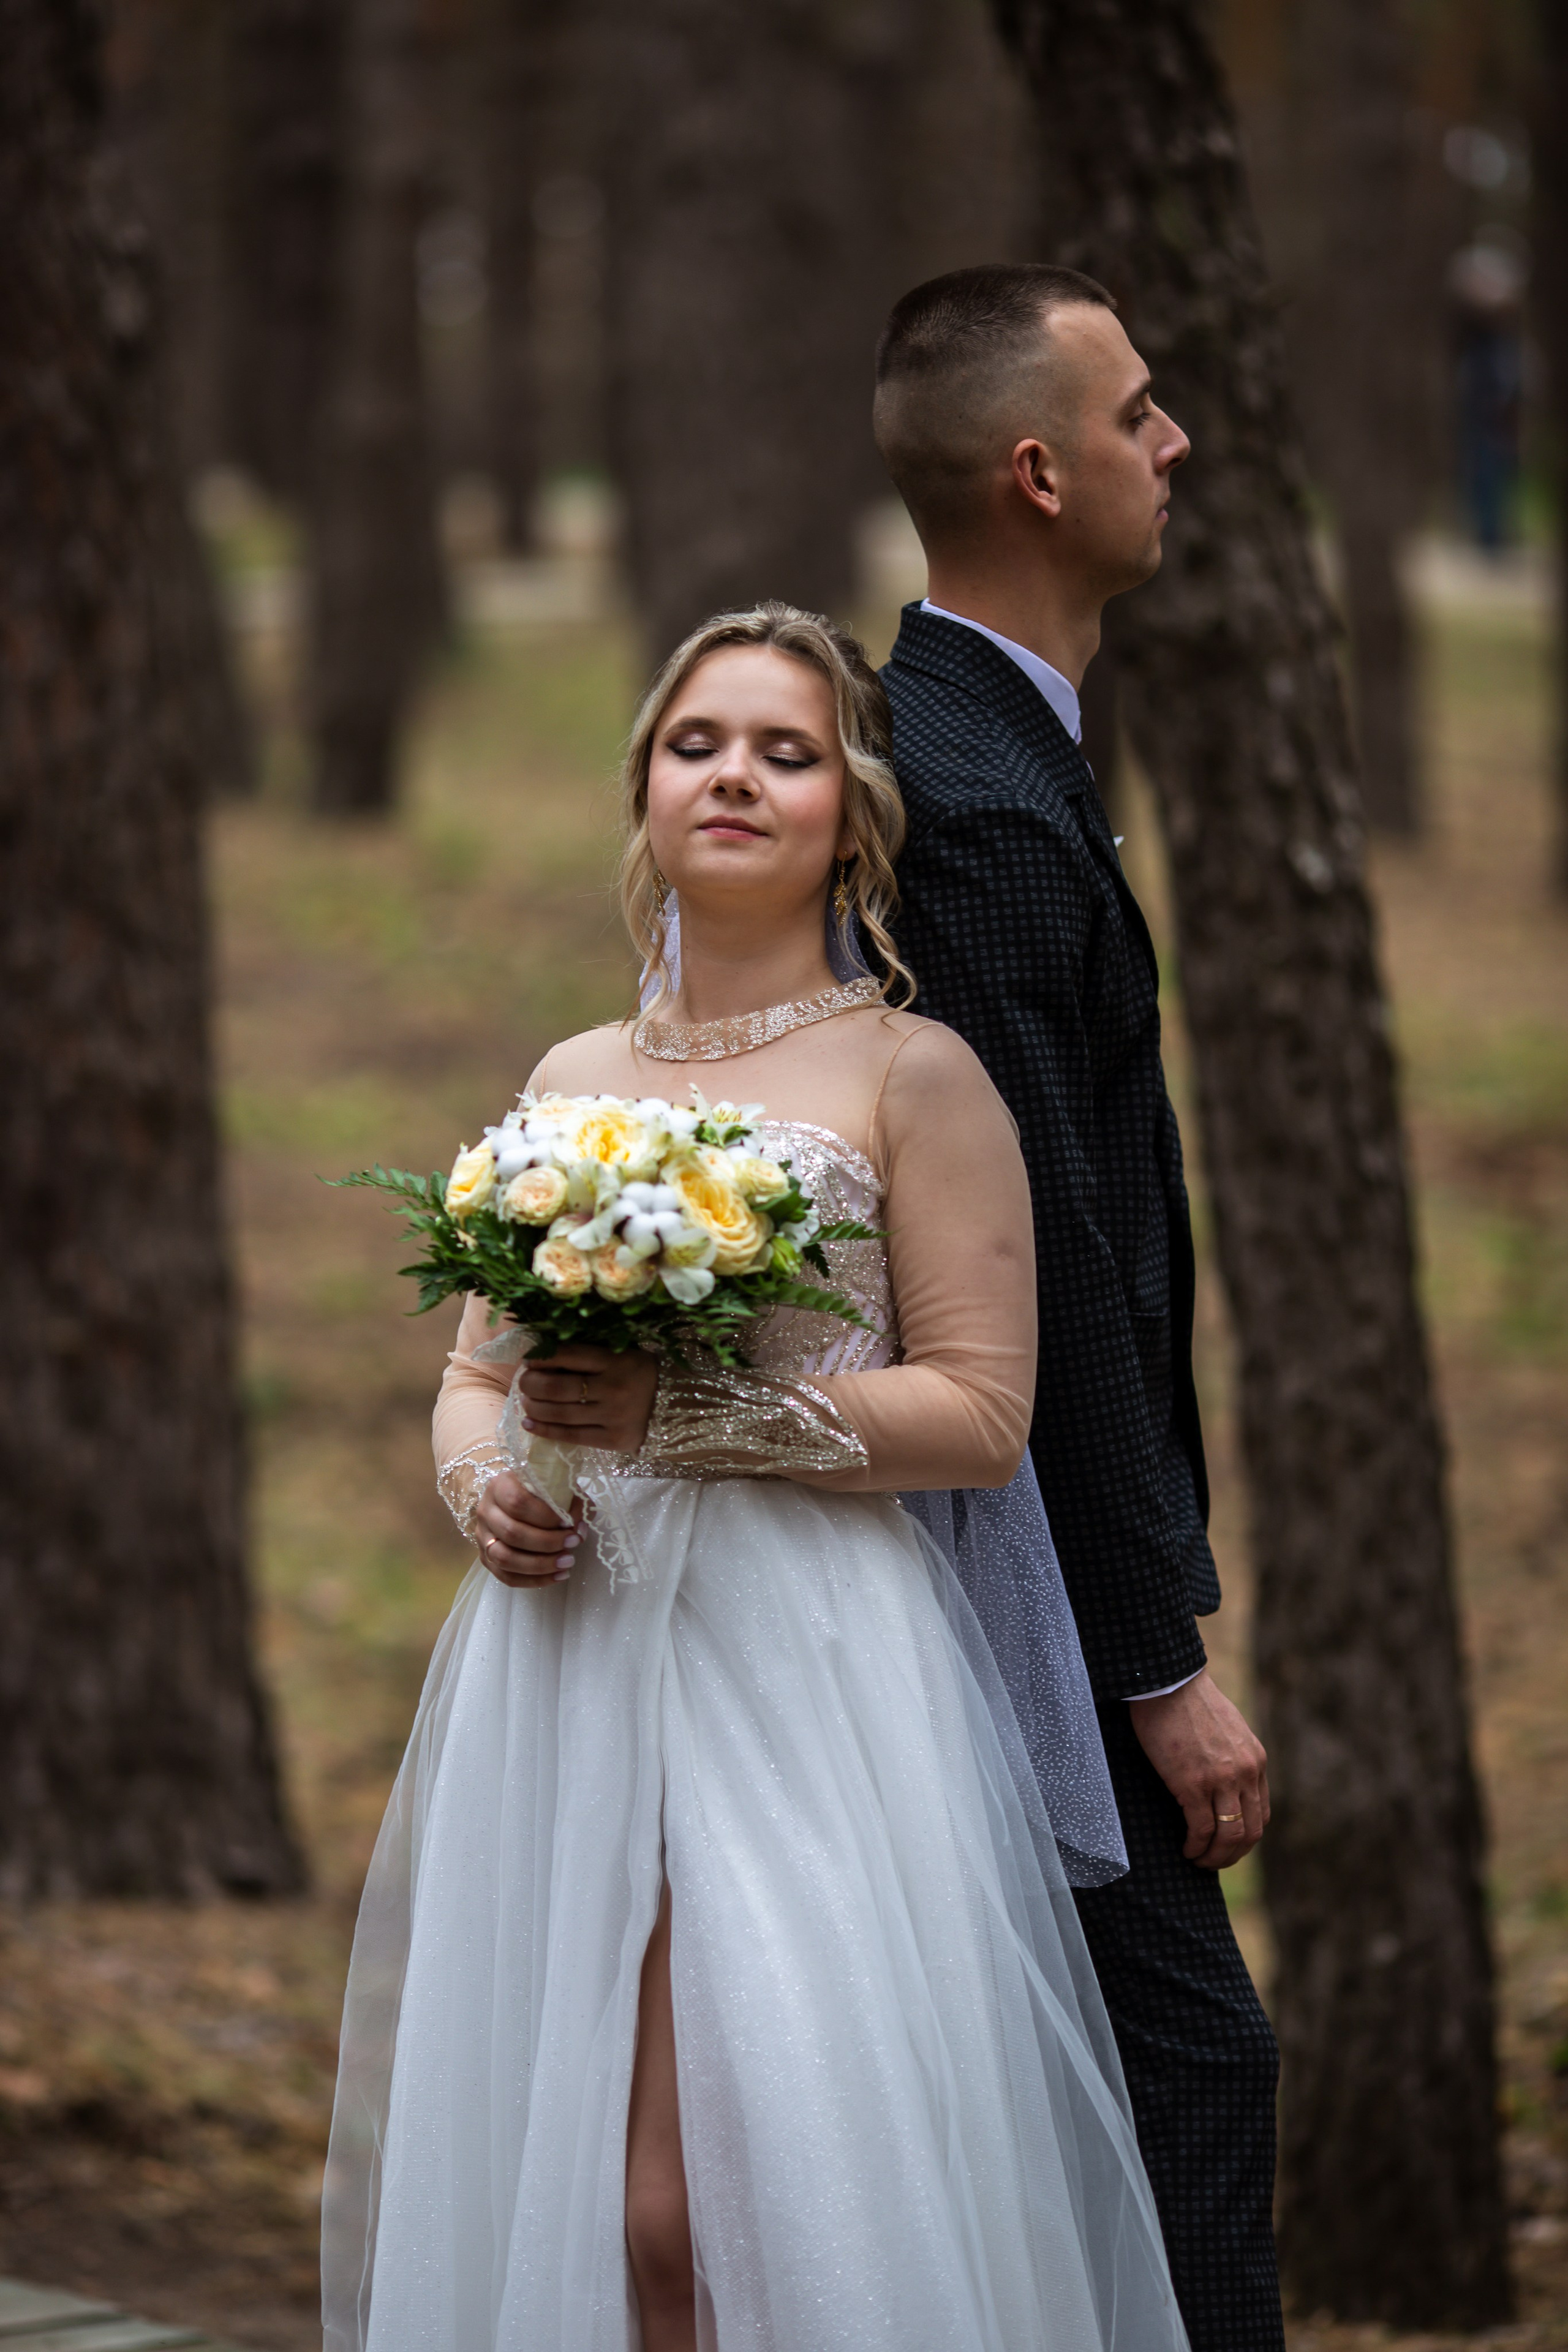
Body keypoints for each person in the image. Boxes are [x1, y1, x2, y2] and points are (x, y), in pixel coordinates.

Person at [320, 605, 1191, 2352]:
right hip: (569, 1662)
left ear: (851, 812)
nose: (734, 775)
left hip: (810, 1675)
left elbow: (980, 1412)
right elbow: (475, 1376)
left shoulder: (910, 1073)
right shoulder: (572, 1079)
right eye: (698, 742)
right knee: (603, 2211)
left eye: (786, 751)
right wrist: (484, 1480)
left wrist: (695, 1428)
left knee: (746, 2194)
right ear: (643, 787)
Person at [872, 263, 1283, 2352]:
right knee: (1188, 2071)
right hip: (1011, 1563)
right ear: (1039, 471)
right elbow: (1062, 1281)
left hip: (1013, 1542)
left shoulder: (984, 740)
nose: (1177, 439)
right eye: (1140, 412)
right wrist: (1151, 1662)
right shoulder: (975, 804)